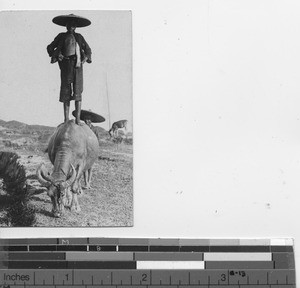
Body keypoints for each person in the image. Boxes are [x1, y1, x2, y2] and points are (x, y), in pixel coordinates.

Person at [47, 14, 92, 125]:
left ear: (76, 26)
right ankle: (66, 119)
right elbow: (50, 47)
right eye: (69, 24)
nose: (71, 26)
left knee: (78, 91)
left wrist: (85, 58)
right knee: (65, 91)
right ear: (66, 26)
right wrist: (57, 55)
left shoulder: (80, 37)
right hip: (66, 65)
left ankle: (77, 119)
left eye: (73, 24)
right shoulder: (61, 36)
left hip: (77, 66)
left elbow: (88, 50)